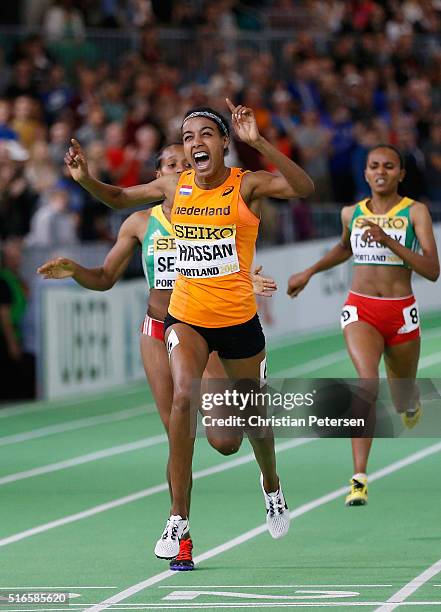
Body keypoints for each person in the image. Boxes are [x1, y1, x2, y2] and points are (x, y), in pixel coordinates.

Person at [61, 100, 314, 558]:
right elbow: (118, 198)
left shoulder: (246, 186)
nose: (196, 144)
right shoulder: (173, 187)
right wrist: (86, 180)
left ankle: (272, 484)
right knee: (183, 398)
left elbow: (303, 186)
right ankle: (178, 520)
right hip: (187, 315)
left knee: (251, 422)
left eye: (205, 135)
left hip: (237, 321)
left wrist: (259, 143)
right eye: (188, 137)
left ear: (223, 144)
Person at [287, 144, 439, 507]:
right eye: (374, 166)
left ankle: (410, 398)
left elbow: (432, 271)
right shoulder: (351, 213)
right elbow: (344, 248)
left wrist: (388, 240)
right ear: (365, 173)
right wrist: (309, 272)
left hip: (400, 313)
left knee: (402, 396)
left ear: (401, 174)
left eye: (389, 166)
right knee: (367, 383)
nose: (381, 171)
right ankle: (359, 478)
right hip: (361, 309)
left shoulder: (414, 211)